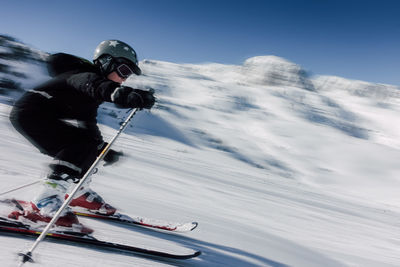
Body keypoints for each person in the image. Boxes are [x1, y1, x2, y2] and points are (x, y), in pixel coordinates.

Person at [8, 40, 155, 233]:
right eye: (124, 71)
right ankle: (45, 203)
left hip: (37, 118)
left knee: (89, 144)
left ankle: (78, 194)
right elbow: (97, 86)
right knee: (80, 145)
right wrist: (123, 95)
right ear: (107, 62)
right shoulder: (82, 75)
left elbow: (88, 126)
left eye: (128, 75)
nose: (124, 78)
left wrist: (103, 149)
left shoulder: (88, 93)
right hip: (30, 116)